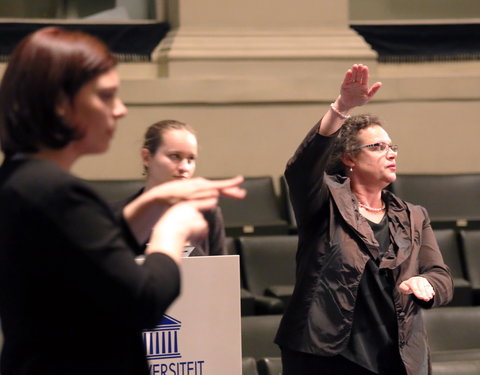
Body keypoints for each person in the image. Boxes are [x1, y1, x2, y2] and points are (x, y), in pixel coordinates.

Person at [0, 27, 244, 375]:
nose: (121, 110)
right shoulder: (57, 192)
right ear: (60, 105)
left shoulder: (21, 180)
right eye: (106, 96)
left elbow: (84, 270)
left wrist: (148, 206)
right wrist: (171, 230)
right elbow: (141, 301)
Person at [274, 64, 454, 375]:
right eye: (378, 147)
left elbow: (441, 276)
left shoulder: (413, 215)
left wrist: (427, 282)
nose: (391, 153)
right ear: (349, 158)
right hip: (329, 356)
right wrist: (341, 108)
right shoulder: (324, 202)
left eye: (392, 147)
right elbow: (300, 170)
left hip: (398, 355)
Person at [117, 119, 227, 256]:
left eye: (191, 159)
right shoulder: (119, 214)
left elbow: (221, 272)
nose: (184, 168)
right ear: (146, 158)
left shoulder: (209, 214)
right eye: (175, 156)